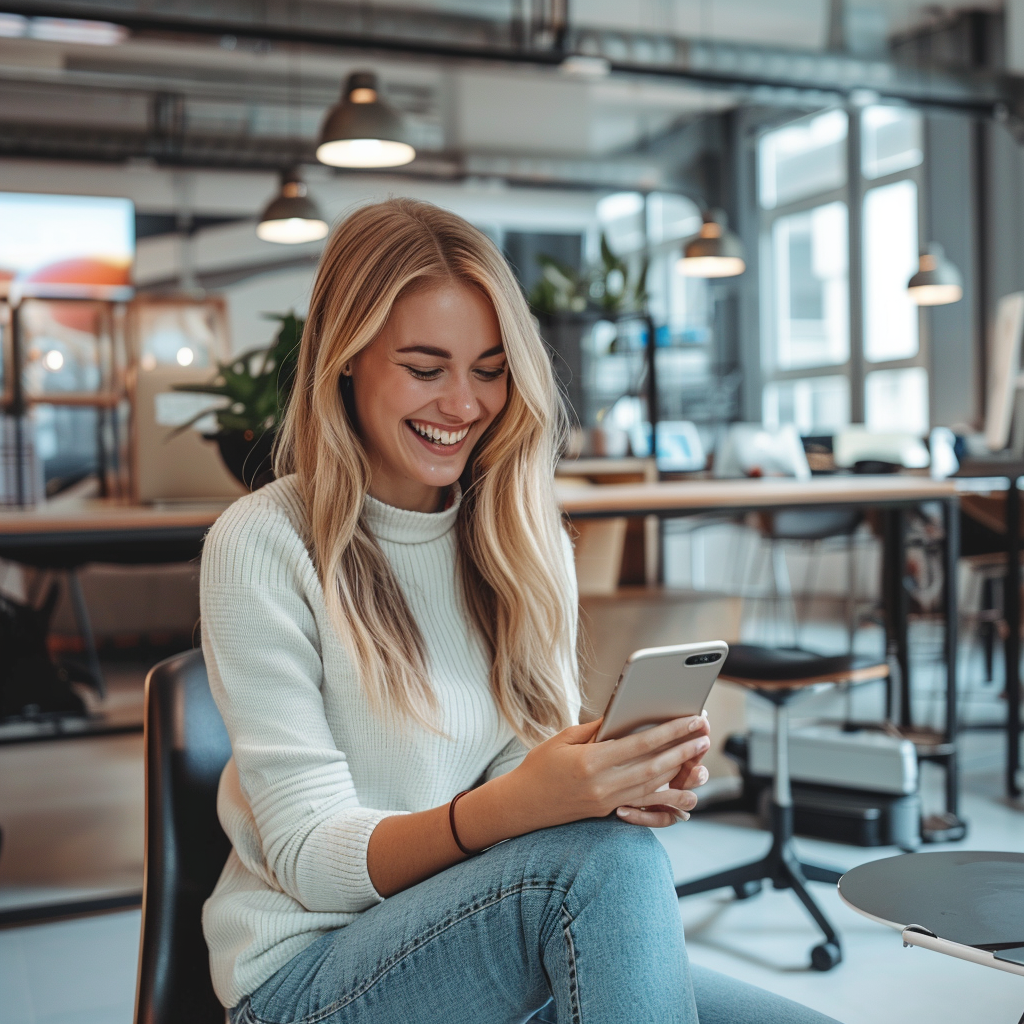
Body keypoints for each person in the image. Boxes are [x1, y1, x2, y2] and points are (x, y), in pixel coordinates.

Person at [200, 198, 840, 1024]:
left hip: (485, 936)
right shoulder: (262, 544)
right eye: (426, 369)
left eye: (492, 369)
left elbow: (519, 784)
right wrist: (527, 807)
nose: (463, 405)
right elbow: (309, 859)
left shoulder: (516, 536)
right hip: (311, 978)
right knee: (604, 866)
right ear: (346, 359)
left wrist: (599, 786)